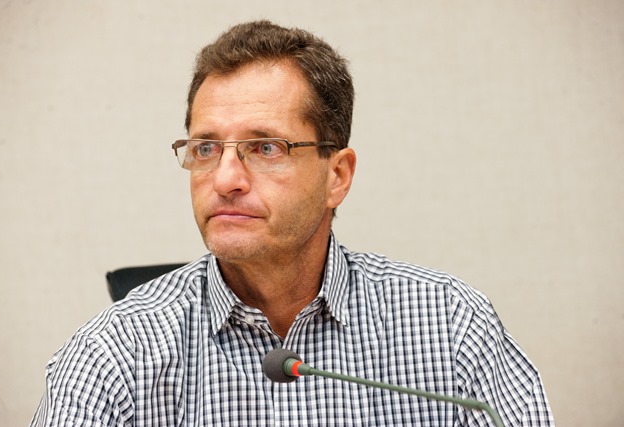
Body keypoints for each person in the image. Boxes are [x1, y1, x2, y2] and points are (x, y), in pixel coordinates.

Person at [30, 20, 555, 426]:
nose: (225, 179)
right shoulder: (112, 356)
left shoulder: (451, 326)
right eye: (206, 148)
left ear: (336, 176)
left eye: (265, 148)